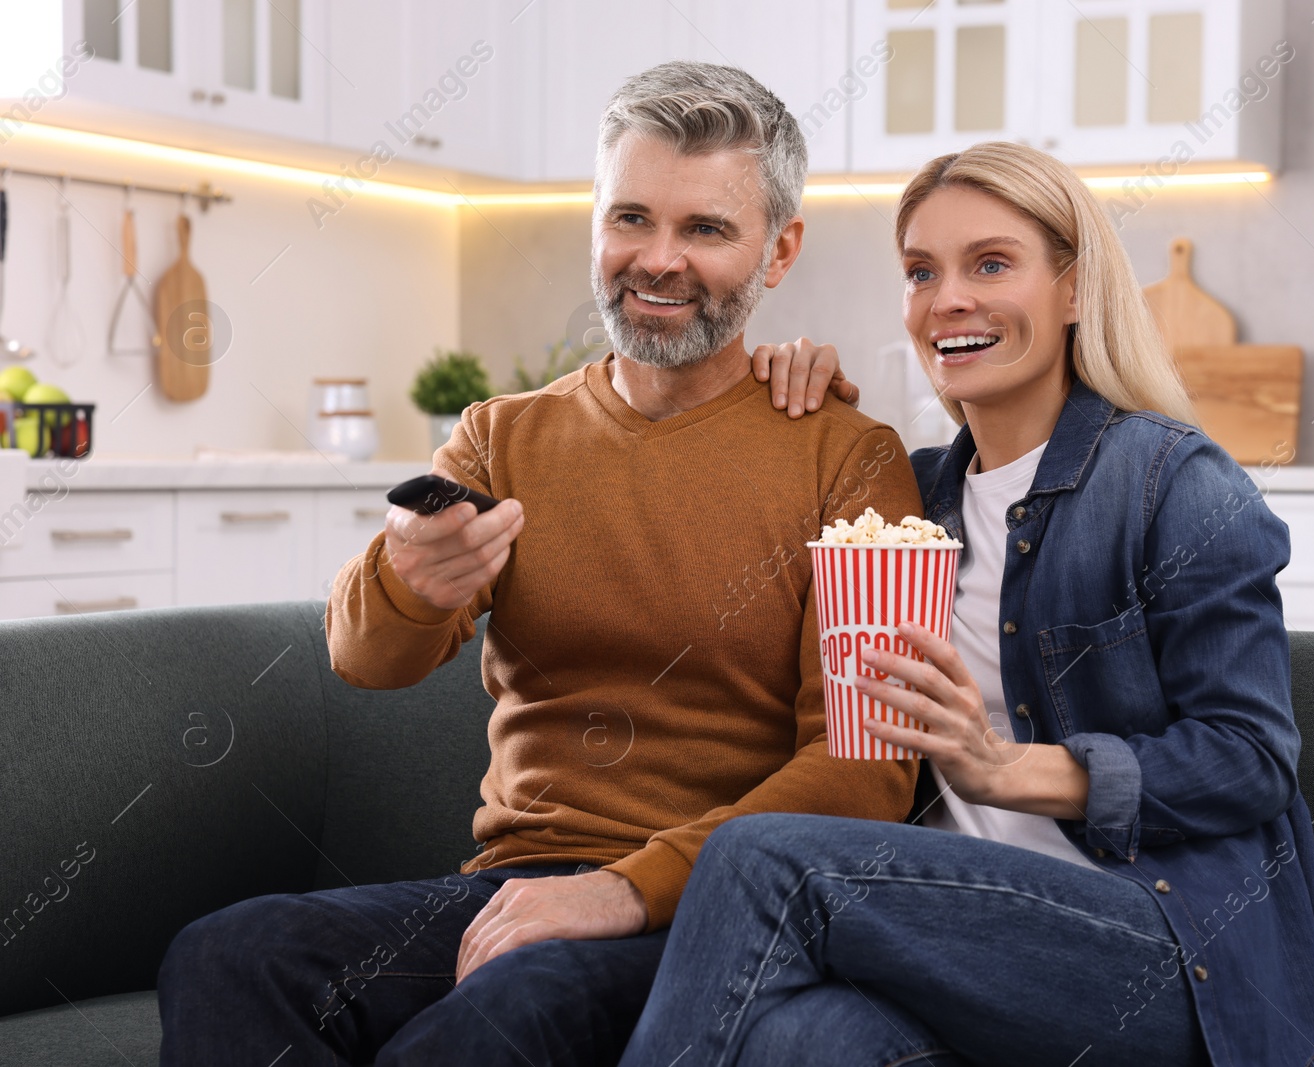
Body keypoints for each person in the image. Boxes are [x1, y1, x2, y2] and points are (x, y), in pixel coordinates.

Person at [155, 62, 922, 1067]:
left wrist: (623, 886)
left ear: (779, 250)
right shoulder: (499, 436)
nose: (656, 259)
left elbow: (869, 771)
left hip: (723, 907)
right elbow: (362, 656)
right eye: (629, 217)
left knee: (496, 1019)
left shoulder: (856, 460)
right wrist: (404, 579)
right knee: (230, 953)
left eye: (704, 229)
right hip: (516, 880)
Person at [615, 142, 1314, 1067]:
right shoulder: (910, 499)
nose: (947, 298)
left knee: (761, 860)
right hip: (963, 949)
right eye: (922, 272)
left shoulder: (1173, 481)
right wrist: (777, 407)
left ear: (1075, 288)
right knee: (802, 1036)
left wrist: (1008, 769)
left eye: (991, 264)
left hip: (1168, 961)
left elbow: (1250, 759)